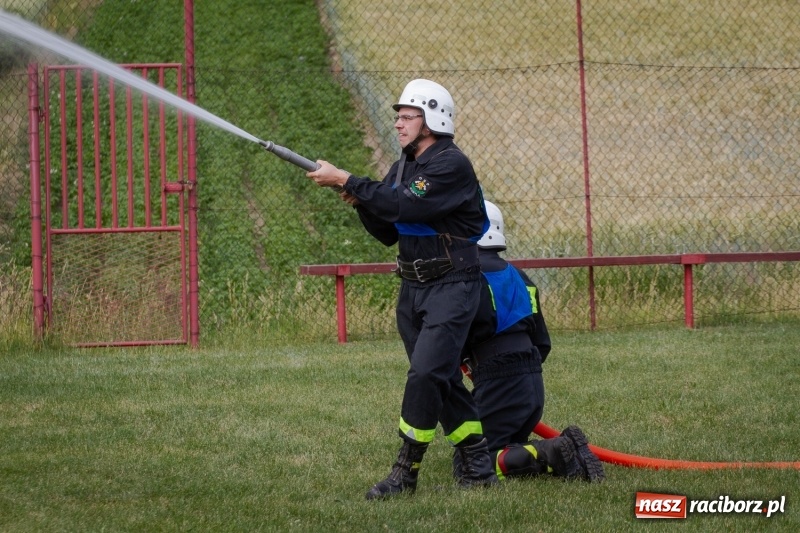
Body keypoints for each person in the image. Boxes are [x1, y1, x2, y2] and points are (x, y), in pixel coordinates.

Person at [307, 79, 498, 499]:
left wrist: (352, 180)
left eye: (407, 116)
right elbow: (389, 229)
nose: (398, 124)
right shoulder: (406, 166)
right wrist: (357, 199)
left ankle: (405, 472)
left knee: (426, 373)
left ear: (432, 119)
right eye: (398, 117)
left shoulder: (450, 164)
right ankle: (478, 462)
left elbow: (406, 205)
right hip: (413, 288)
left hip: (452, 284)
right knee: (442, 377)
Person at [458, 200, 605, 482]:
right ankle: (564, 447)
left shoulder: (465, 278)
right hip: (532, 382)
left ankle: (551, 451)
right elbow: (542, 342)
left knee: (474, 464)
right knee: (503, 446)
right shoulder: (519, 276)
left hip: (496, 379)